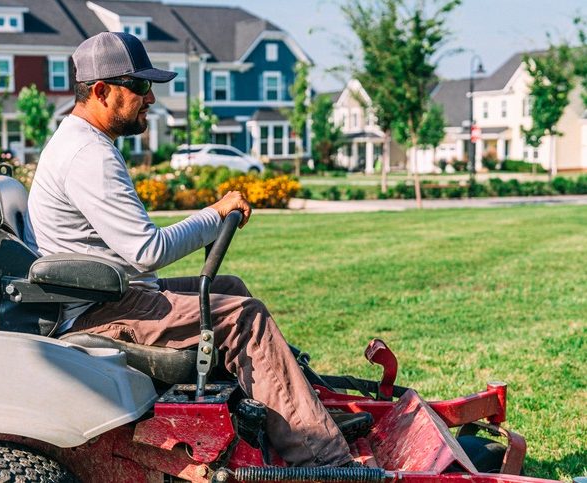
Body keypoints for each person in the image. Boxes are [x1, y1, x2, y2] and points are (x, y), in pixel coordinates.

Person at [24, 32, 360, 467]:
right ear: (102, 92)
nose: (151, 99)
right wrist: (214, 214)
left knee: (230, 288)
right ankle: (323, 459)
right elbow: (147, 250)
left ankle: (292, 416)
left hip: (108, 294)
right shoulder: (88, 154)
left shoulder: (82, 143)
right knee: (244, 317)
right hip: (98, 311)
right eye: (141, 87)